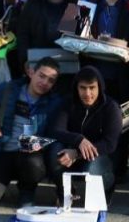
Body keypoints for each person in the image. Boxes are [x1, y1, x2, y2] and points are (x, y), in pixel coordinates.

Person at [0, 57, 63, 206]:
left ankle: (27, 191)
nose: (45, 82)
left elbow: (57, 132)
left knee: (33, 164)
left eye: (51, 80)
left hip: (31, 156)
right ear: (31, 72)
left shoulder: (54, 102)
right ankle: (1, 182)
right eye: (42, 76)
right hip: (3, 151)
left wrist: (42, 143)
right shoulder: (8, 89)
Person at [47, 66, 122, 202]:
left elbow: (110, 144)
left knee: (92, 167)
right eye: (83, 88)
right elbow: (56, 130)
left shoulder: (111, 107)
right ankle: (65, 191)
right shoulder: (68, 102)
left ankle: (105, 190)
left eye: (92, 88)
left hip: (100, 157)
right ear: (76, 87)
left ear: (100, 87)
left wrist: (77, 153)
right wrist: (79, 139)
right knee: (55, 151)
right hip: (71, 154)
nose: (87, 93)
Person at [15, 0, 79, 75]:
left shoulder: (74, 3)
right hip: (37, 64)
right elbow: (23, 34)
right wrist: (24, 60)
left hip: (68, 65)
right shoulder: (34, 2)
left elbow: (78, 37)